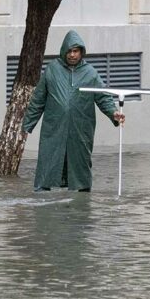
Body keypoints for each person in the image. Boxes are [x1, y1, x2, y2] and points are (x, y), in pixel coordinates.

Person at [22, 30, 125, 192]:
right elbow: (38, 99)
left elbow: (103, 97)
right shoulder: (52, 69)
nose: (72, 55)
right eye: (69, 51)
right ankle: (42, 206)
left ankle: (81, 203)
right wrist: (27, 125)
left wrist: (114, 113)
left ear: (81, 52)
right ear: (63, 51)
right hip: (54, 128)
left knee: (80, 163)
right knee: (49, 160)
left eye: (75, 51)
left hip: (81, 128)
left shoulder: (90, 73)